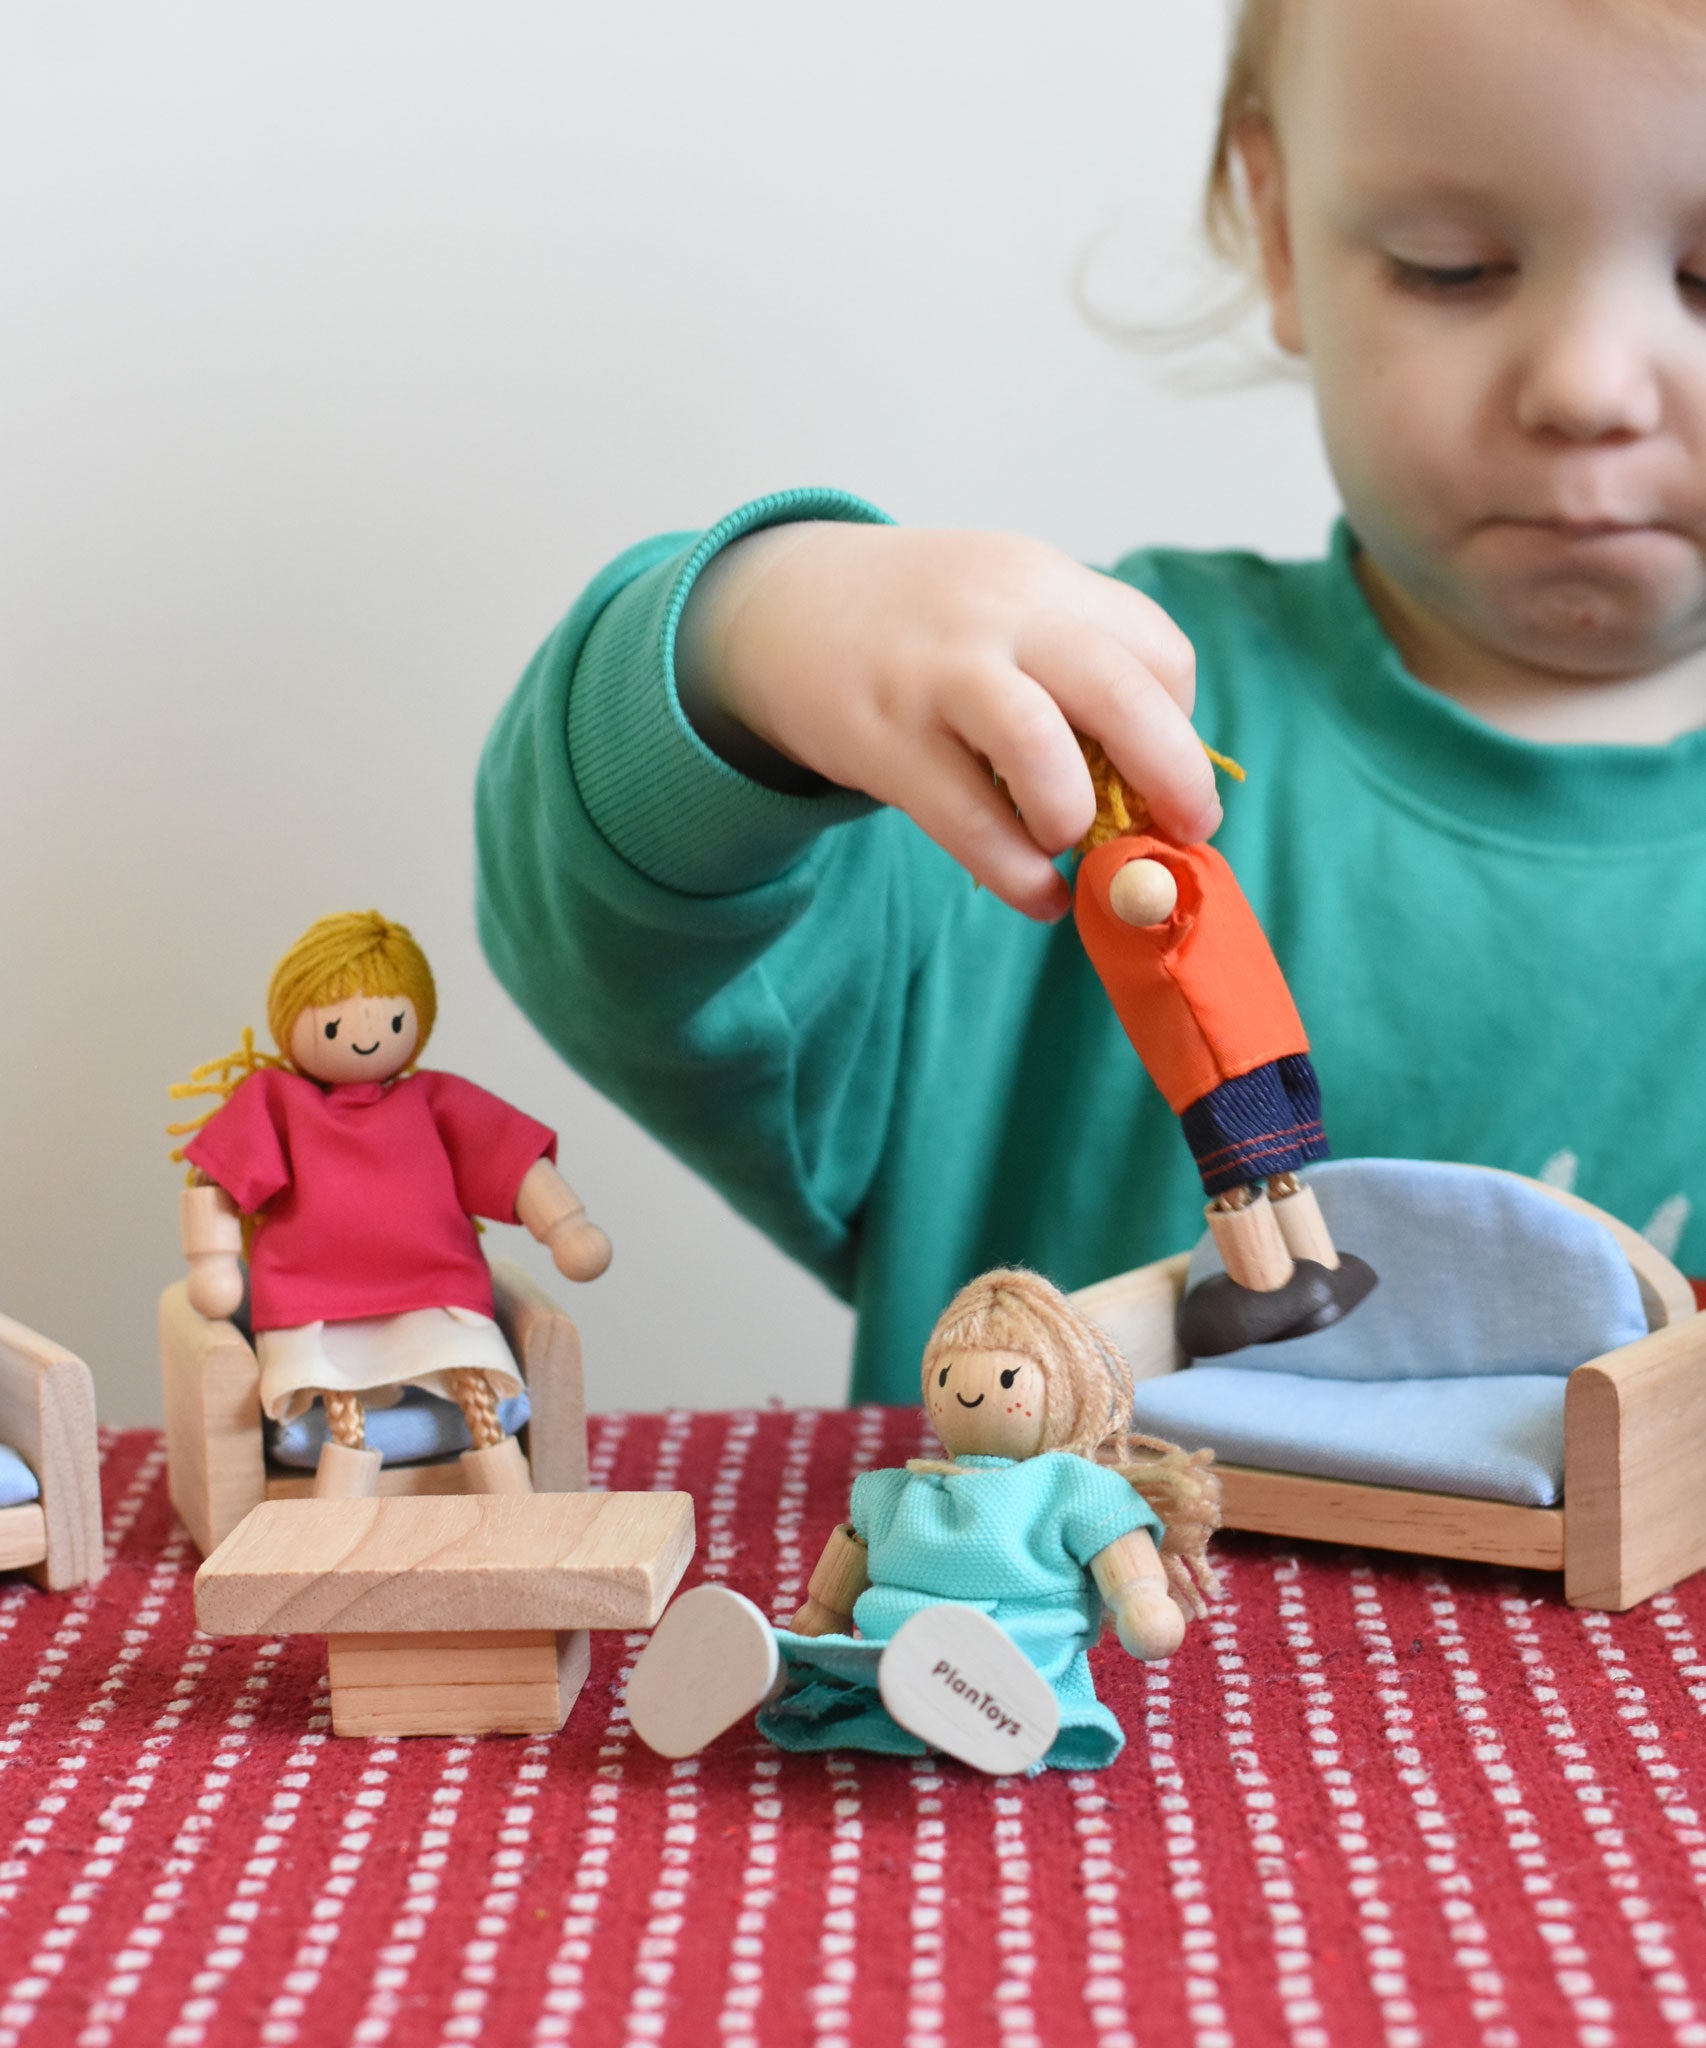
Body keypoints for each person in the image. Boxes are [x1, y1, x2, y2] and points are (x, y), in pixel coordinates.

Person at [476, 0, 1706, 1405]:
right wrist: (757, 634)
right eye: (1453, 267)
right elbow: (605, 932)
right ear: (1282, 226)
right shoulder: (1066, 742)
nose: (1587, 386)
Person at [625, 1268, 1220, 1774]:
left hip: (1015, 1652)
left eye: (1008, 1380)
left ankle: (940, 1700)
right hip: (891, 1644)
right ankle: (766, 1665)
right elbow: (852, 1553)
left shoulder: (1067, 1486)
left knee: (923, 1669)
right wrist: (821, 1617)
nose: (965, 1394)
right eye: (944, 1378)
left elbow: (1119, 1549)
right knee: (836, 1659)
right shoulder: (898, 1489)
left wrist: (1144, 1600)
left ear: (1064, 1390)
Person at [171, 910, 611, 1497]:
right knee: (337, 1391)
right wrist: (214, 1262)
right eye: (334, 1026)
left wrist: (566, 1226)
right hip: (314, 1298)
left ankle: (511, 1498)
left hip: (434, 1287)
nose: (363, 1035)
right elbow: (216, 1184)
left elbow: (510, 1162)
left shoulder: (435, 1101)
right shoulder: (276, 1102)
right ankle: (340, 1513)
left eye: (392, 1017)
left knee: (469, 1374)